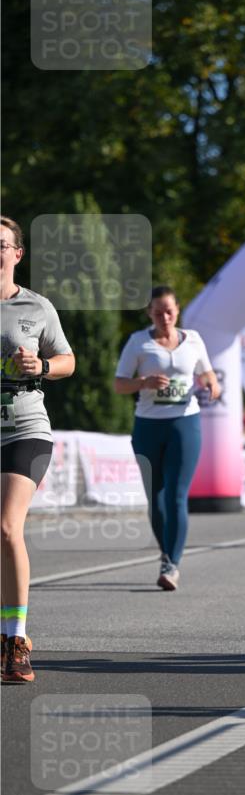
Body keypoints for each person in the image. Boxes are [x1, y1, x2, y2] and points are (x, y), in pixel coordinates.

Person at [1, 216, 75, 683]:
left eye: (0, 244)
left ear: (16, 254)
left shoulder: (36, 307)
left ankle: (15, 640)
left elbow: (68, 361)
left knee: (7, 527)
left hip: (24, 428)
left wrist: (41, 364)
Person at [114, 285, 220, 590]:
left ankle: (172, 563)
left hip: (185, 424)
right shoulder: (138, 343)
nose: (165, 317)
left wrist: (212, 384)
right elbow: (119, 385)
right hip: (148, 426)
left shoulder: (194, 340)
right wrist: (144, 382)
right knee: (156, 499)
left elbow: (208, 373)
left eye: (170, 310)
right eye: (158, 312)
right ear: (150, 313)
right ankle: (166, 553)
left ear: (178, 310)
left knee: (176, 494)